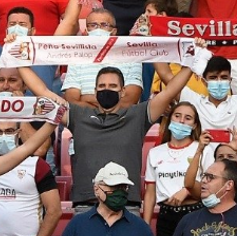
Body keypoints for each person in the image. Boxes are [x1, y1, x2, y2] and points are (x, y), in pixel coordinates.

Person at [22, 61, 195, 209]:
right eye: (102, 86)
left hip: (126, 204)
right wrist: (17, 61)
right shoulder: (78, 116)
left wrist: (192, 61)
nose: (107, 90)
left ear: (122, 91)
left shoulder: (138, 115)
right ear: (95, 90)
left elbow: (170, 91)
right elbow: (43, 92)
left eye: (113, 86)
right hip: (86, 204)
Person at [143, 102, 206, 236]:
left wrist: (187, 190)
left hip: (194, 212)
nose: (182, 121)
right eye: (177, 116)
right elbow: (150, 193)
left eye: (188, 118)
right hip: (166, 215)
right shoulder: (155, 153)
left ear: (195, 125)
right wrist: (146, 226)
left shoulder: (202, 149)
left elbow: (211, 184)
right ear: (170, 118)